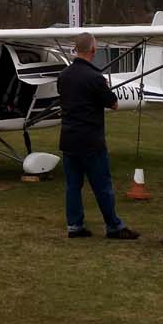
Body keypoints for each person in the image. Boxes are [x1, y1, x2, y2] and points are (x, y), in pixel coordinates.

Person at [57, 32, 138, 240]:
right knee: (102, 186)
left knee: (73, 186)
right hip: (91, 140)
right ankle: (113, 226)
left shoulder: (63, 75)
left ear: (76, 49)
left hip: (68, 139)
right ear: (93, 50)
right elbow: (114, 103)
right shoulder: (95, 77)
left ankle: (74, 226)